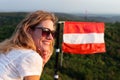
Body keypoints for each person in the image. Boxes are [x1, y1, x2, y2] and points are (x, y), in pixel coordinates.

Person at [0, 10, 58, 80]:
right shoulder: (31, 56)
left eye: (52, 33)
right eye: (45, 31)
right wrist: (38, 62)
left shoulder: (8, 49)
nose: (50, 37)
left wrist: (41, 64)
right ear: (29, 31)